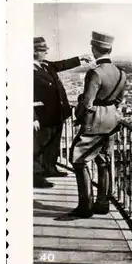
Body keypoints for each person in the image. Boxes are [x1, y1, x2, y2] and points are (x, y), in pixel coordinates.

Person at [68, 31, 127, 218]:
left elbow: (87, 102)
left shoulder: (95, 73)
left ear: (94, 49)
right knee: (103, 161)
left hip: (94, 122)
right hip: (112, 120)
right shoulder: (121, 74)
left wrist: (79, 116)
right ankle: (103, 204)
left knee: (78, 160)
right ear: (109, 49)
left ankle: (85, 205)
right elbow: (118, 99)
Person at [33, 37, 92, 188]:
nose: (46, 52)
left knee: (53, 143)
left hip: (55, 113)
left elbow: (62, 64)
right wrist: (32, 117)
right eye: (42, 51)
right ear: (33, 52)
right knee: (38, 145)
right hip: (41, 115)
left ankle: (50, 168)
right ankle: (36, 176)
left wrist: (80, 59)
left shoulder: (45, 65)